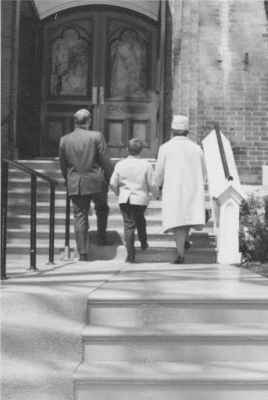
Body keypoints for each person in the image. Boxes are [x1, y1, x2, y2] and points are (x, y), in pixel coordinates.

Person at [59, 109, 113, 261]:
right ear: (89, 121)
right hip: (96, 180)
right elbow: (105, 160)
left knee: (80, 216)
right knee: (102, 208)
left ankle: (83, 253)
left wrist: (68, 179)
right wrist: (110, 178)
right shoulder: (97, 136)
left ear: (75, 122)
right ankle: (102, 237)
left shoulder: (64, 139)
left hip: (76, 182)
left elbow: (63, 165)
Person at [154, 115, 207, 264]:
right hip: (192, 188)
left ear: (172, 131)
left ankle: (180, 254)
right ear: (187, 131)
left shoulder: (165, 148)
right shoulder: (196, 149)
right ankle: (184, 243)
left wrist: (156, 186)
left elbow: (159, 171)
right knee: (187, 217)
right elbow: (203, 171)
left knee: (178, 222)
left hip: (173, 188)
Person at [110, 139, 155, 263]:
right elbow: (152, 183)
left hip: (125, 198)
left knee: (129, 225)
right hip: (140, 198)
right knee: (140, 219)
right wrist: (153, 194)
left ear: (127, 150)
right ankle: (143, 241)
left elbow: (113, 182)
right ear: (141, 151)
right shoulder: (146, 165)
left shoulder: (120, 164)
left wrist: (118, 193)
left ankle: (130, 255)